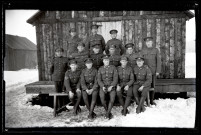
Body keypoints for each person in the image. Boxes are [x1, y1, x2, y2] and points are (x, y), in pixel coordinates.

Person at [141, 37, 161, 105]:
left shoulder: (156, 50)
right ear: (145, 43)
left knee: (153, 86)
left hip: (153, 71)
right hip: (145, 72)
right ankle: (146, 100)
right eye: (147, 42)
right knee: (145, 86)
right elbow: (141, 61)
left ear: (152, 42)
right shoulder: (143, 50)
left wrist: (158, 71)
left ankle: (151, 100)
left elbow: (158, 61)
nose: (148, 43)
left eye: (149, 42)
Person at [49, 47, 69, 113]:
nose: (59, 53)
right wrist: (52, 76)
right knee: (57, 92)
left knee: (64, 92)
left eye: (60, 52)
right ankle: (58, 107)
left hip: (64, 78)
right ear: (56, 53)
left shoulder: (66, 59)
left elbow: (68, 69)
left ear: (62, 52)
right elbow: (51, 69)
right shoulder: (54, 59)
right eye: (58, 52)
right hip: (56, 78)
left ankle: (64, 107)